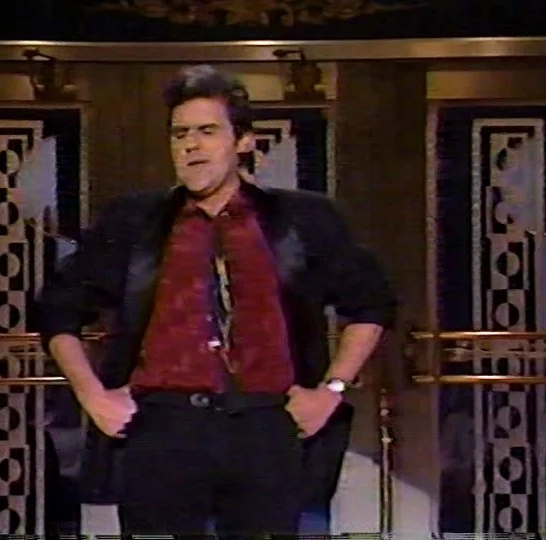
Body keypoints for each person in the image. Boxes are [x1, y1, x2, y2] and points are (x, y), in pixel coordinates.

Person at [37, 64, 397, 538]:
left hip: (268, 426)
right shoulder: (134, 221)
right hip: (162, 426)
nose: (191, 145)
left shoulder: (303, 218)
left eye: (207, 131)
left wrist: (330, 390)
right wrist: (92, 395)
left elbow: (371, 304)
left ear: (243, 141)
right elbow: (58, 309)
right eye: (180, 134)